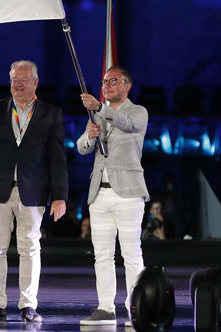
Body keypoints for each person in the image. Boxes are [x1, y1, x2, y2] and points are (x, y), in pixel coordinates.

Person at [0, 60, 67, 323]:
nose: (18, 84)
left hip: (33, 193)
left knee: (30, 249)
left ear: (35, 83)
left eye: (24, 80)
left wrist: (59, 196)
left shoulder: (50, 113)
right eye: (14, 79)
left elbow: (57, 159)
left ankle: (28, 305)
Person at [76, 65, 149, 327]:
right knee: (102, 255)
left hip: (128, 192)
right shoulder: (97, 115)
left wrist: (100, 108)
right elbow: (82, 147)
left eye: (113, 81)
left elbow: (128, 125)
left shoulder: (137, 111)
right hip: (100, 194)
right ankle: (106, 308)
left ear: (127, 85)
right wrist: (89, 136)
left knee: (131, 254)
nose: (107, 85)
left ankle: (136, 308)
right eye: (105, 81)